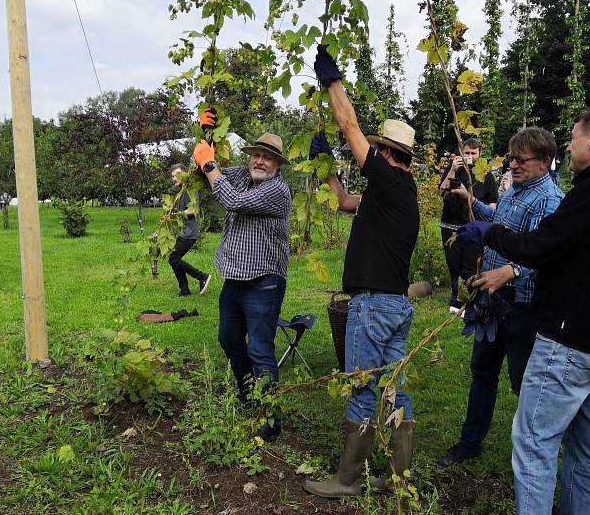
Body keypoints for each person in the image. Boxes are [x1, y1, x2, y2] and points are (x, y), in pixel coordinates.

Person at [456, 108, 590, 514]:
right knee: (586, 442)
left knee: (533, 441)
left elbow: (539, 247)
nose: (571, 144)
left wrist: (491, 234)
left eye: (575, 137)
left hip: (568, 339)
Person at [302, 45, 420, 499]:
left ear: (389, 154)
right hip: (396, 306)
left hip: (372, 306)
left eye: (377, 148)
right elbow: (347, 203)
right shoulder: (396, 193)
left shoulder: (389, 180)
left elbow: (349, 125)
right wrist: (330, 171)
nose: (368, 152)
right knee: (394, 389)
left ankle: (347, 479)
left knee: (361, 387)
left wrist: (332, 81)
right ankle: (397, 477)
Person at [436, 126, 563, 467]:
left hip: (522, 305)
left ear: (545, 161)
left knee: (524, 382)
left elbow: (548, 254)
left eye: (522, 160)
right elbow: (500, 222)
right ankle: (470, 441)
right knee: (482, 371)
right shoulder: (514, 191)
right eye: (512, 158)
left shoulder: (549, 201)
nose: (514, 165)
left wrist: (514, 271)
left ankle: (532, 455)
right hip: (492, 299)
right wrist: (471, 203)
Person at [192, 112, 292, 442]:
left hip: (264, 282)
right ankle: (249, 395)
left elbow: (230, 199)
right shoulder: (242, 175)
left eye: (268, 158)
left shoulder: (276, 190)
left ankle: (272, 418)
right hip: (235, 278)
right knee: (228, 339)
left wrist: (209, 166)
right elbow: (206, 173)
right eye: (257, 155)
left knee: (261, 350)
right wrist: (205, 134)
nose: (260, 161)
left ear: (277, 165)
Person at [439, 138, 498, 314]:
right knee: (453, 264)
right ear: (461, 152)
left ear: (480, 154)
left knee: (470, 264)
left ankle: (468, 300)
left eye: (473, 153)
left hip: (474, 227)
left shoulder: (485, 175)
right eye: (466, 153)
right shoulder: (454, 171)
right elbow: (442, 191)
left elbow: (492, 203)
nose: (470, 156)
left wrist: (485, 219)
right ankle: (456, 297)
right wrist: (452, 169)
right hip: (450, 225)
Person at [167, 164, 211, 297]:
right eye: (173, 176)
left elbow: (192, 211)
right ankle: (184, 290)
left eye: (178, 175)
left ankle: (202, 276)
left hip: (189, 233)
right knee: (175, 258)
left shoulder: (190, 190)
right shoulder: (181, 192)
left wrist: (176, 215)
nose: (174, 178)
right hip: (184, 232)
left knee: (174, 259)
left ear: (186, 174)